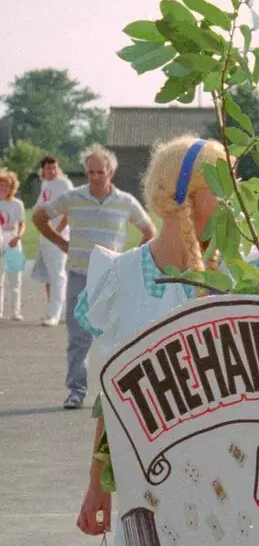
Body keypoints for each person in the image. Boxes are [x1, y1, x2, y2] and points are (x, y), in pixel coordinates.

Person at [74, 137, 230, 546]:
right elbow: (111, 393)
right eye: (219, 187)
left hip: (228, 486)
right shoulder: (121, 277)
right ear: (186, 194)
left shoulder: (237, 279)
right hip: (144, 483)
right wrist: (96, 483)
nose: (229, 202)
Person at [34, 145, 156, 409]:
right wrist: (60, 243)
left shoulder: (125, 201)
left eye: (101, 172)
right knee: (78, 338)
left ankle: (115, 392)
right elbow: (39, 216)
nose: (96, 177)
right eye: (91, 172)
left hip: (111, 278)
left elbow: (150, 231)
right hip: (79, 275)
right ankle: (76, 391)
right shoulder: (73, 197)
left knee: (113, 336)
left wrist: (129, 256)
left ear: (111, 172)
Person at [31, 156, 74, 325]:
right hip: (46, 235)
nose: (52, 171)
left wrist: (58, 232)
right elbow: (38, 207)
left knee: (58, 275)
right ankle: (55, 311)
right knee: (48, 276)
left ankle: (55, 314)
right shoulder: (45, 185)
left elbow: (69, 210)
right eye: (48, 168)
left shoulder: (64, 184)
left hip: (58, 236)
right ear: (43, 170)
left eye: (54, 168)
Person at [0, 171, 26, 320]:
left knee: (15, 280)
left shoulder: (17, 204)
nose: (4, 188)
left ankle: (16, 312)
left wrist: (18, 236)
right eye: (1, 185)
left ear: (12, 188)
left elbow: (22, 225)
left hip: (13, 241)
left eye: (7, 186)